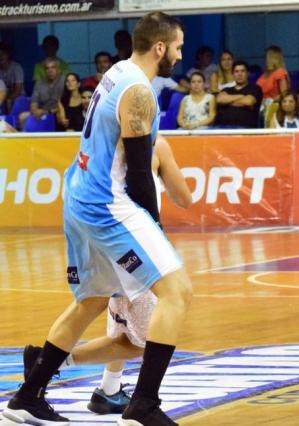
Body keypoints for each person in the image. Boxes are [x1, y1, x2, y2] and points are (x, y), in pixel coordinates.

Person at [2, 12, 191, 426]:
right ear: (159, 47)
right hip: (107, 204)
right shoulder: (139, 91)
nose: (179, 54)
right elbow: (141, 173)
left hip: (78, 194)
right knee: (177, 290)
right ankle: (143, 403)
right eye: (177, 47)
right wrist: (155, 229)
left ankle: (26, 395)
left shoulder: (117, 72)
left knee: (91, 299)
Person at [23, 134, 192, 415]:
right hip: (133, 243)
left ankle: (109, 389)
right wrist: (165, 172)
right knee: (141, 341)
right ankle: (49, 362)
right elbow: (184, 198)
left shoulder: (99, 146)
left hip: (101, 239)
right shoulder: (156, 145)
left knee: (114, 319)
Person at [19, 57, 65, 129]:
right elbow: (34, 102)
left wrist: (49, 111)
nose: (50, 70)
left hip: (59, 111)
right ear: (44, 71)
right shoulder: (39, 83)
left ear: (58, 70)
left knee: (60, 116)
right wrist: (35, 110)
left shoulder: (64, 81)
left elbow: (67, 104)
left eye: (53, 67)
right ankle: (25, 139)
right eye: (47, 68)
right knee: (22, 117)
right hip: (43, 111)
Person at [215, 60, 263, 128]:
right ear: (233, 74)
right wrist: (241, 96)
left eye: (242, 71)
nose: (239, 74)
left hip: (244, 128)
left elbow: (248, 102)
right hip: (221, 128)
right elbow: (219, 99)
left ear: (248, 73)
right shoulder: (227, 90)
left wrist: (227, 102)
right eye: (236, 71)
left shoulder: (255, 88)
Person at [0, 42, 25, 111]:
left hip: (18, 99)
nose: (0, 56)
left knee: (9, 100)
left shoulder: (16, 67)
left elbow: (18, 90)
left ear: (8, 55)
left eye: (3, 54)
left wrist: (4, 97)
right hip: (2, 98)